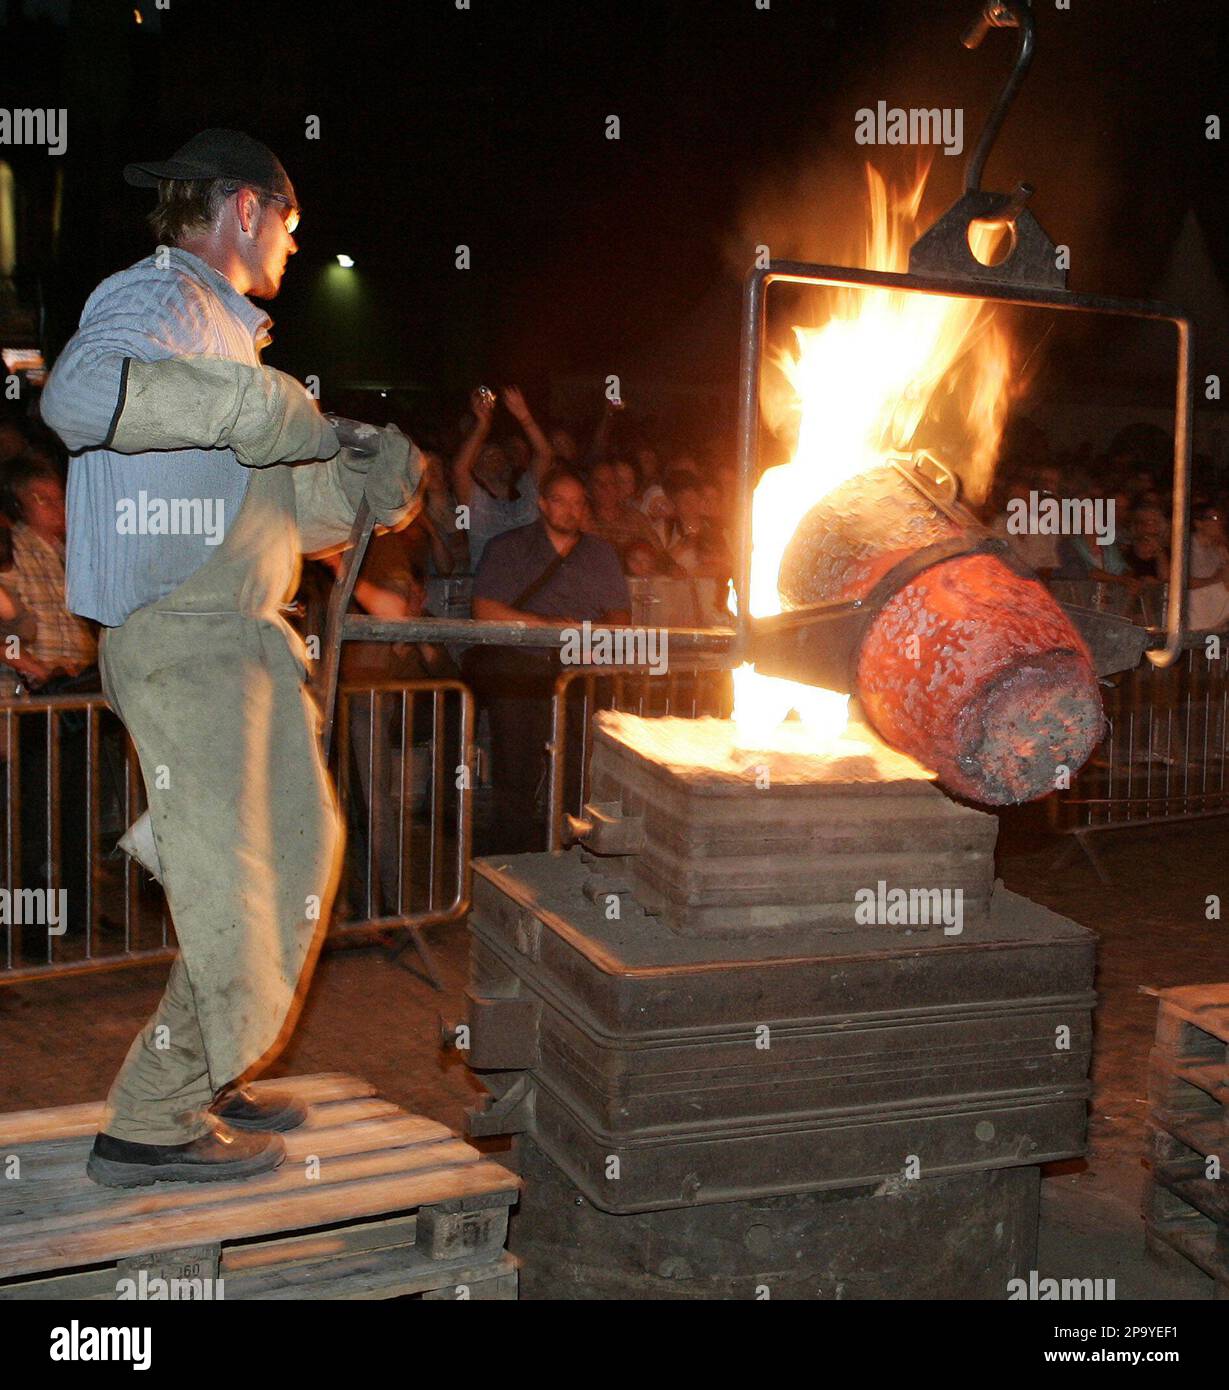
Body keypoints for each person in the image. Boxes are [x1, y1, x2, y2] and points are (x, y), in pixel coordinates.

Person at [40, 129, 423, 1187]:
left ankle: (205, 1073)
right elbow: (75, 396)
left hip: (235, 643)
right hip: (189, 641)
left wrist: (368, 487)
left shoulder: (226, 336)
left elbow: (284, 518)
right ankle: (152, 1121)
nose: (296, 250)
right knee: (252, 888)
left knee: (283, 866)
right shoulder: (164, 298)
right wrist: (262, 407)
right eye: (291, 228)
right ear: (246, 208)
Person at [466, 468, 629, 853]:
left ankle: (574, 849)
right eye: (561, 501)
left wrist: (590, 633)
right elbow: (484, 609)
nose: (571, 510)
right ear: (542, 502)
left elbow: (621, 617)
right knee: (516, 764)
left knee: (581, 764)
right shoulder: (507, 547)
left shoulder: (600, 553)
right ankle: (512, 856)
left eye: (578, 503)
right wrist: (548, 627)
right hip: (521, 667)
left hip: (582, 670)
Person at [452, 385, 552, 570]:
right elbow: (459, 470)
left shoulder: (526, 489)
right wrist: (483, 425)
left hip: (530, 586)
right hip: (489, 591)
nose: (496, 460)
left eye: (499, 455)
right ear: (476, 469)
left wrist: (525, 418)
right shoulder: (475, 502)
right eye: (487, 456)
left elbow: (545, 455)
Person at [1187, 504, 1229, 631]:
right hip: (1194, 617)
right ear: (1199, 523)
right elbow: (1182, 582)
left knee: (1214, 649)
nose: (1220, 523)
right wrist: (1215, 579)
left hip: (1216, 618)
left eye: (1221, 518)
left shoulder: (1218, 550)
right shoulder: (1187, 547)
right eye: (1214, 518)